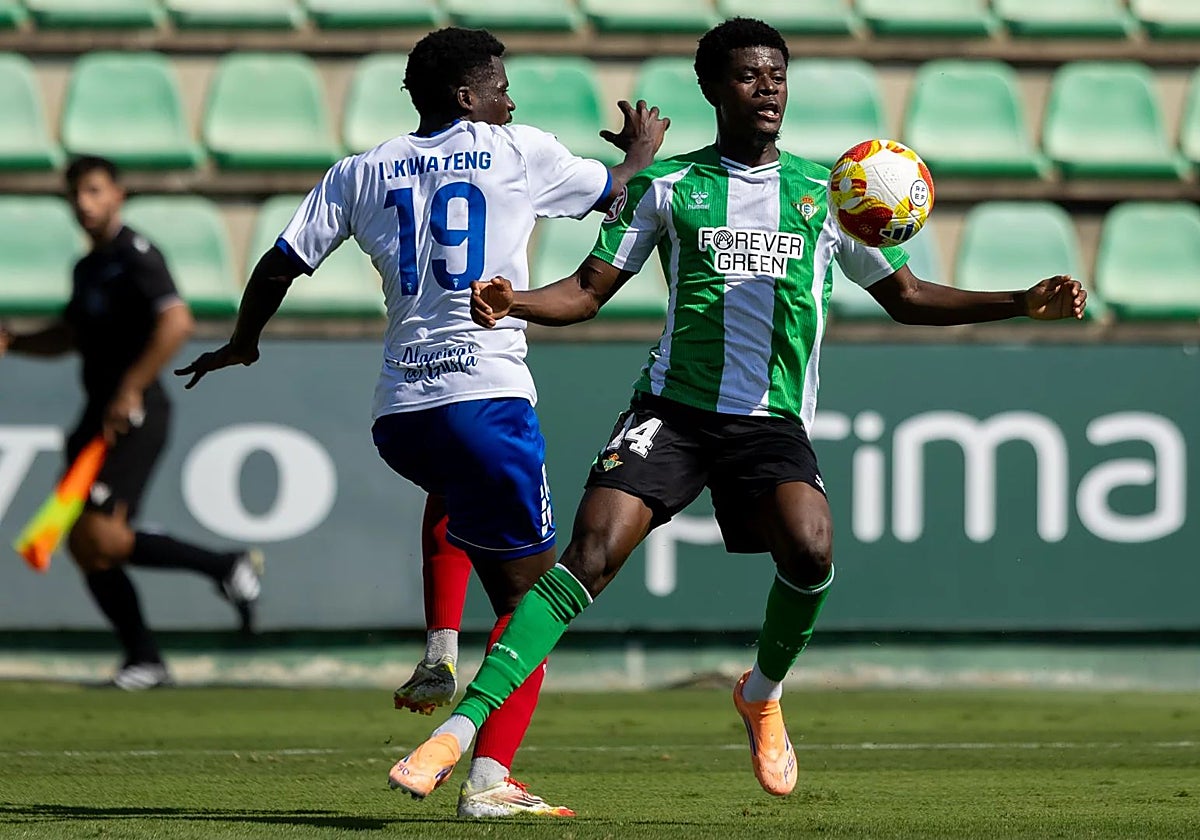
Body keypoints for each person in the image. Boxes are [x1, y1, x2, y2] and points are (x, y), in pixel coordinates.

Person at [391, 17, 1088, 802]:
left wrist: (1019, 301)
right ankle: (457, 734)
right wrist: (513, 300)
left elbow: (908, 295)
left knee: (811, 551)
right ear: (713, 88)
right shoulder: (667, 188)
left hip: (768, 423)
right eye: (750, 76)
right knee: (588, 557)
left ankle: (761, 693)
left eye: (777, 76)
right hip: (672, 412)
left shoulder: (828, 195)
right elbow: (584, 292)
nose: (767, 89)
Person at [174, 27, 668, 817]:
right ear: (467, 97)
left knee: (457, 493)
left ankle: (440, 649)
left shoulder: (361, 170)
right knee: (533, 609)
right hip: (488, 400)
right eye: (500, 87)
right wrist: (640, 150)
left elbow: (278, 263)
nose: (511, 101)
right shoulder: (516, 151)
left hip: (401, 416)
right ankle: (488, 780)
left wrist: (244, 342)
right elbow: (619, 194)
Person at [0, 155, 263, 691]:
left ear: (118, 195)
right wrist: (15, 342)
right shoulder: (88, 267)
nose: (84, 203)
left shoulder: (136, 254)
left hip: (133, 414)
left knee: (99, 535)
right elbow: (71, 335)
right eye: (76, 193)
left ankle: (223, 567)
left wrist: (131, 386)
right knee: (85, 545)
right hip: (97, 416)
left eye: (95, 190)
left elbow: (176, 322)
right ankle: (146, 657)